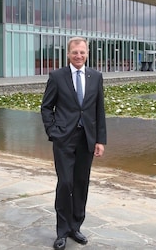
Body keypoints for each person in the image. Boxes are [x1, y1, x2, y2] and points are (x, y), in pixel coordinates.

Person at [40, 36, 107, 250]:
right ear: (68, 54)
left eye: (82, 52)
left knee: (81, 183)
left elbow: (99, 111)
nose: (79, 55)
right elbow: (46, 107)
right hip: (64, 138)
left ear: (87, 53)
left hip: (87, 139)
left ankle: (75, 227)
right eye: (75, 52)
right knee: (65, 183)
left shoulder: (96, 77)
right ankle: (61, 231)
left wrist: (100, 140)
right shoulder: (57, 76)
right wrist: (53, 131)